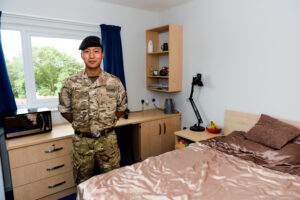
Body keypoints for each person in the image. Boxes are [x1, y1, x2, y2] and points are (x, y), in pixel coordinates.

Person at [58, 35, 127, 185]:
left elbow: (121, 107)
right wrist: (81, 123)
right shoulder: (71, 83)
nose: (91, 56)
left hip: (108, 140)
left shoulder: (114, 82)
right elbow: (65, 110)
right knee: (83, 183)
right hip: (82, 141)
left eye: (96, 51)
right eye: (87, 52)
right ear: (82, 56)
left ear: (102, 55)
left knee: (112, 181)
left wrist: (110, 121)